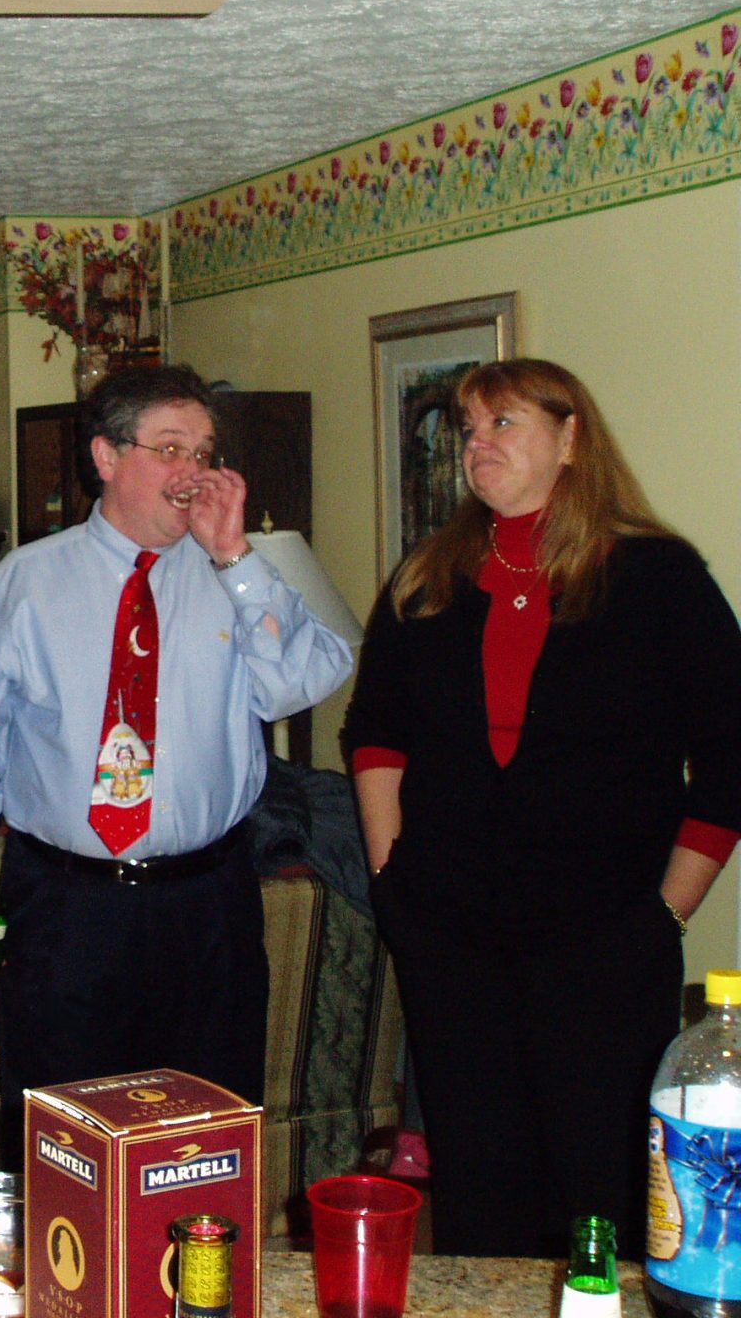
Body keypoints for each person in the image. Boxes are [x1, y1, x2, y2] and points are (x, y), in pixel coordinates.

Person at [343, 358, 741, 1258]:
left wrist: (665, 911)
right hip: (450, 938)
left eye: (503, 425)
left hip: (605, 939)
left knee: (601, 1184)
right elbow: (375, 735)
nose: (477, 447)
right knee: (481, 1186)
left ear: (570, 439)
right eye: (468, 431)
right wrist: (391, 877)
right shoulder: (429, 579)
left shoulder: (657, 578)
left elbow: (730, 757)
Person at [0, 364, 353, 1161]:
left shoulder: (239, 576)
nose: (193, 474)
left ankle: (200, 1287)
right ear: (107, 458)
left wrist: (238, 560)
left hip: (207, 904)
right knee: (65, 1143)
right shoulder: (28, 583)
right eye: (170, 449)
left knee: (205, 1138)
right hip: (66, 906)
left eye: (205, 452)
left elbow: (305, 681)